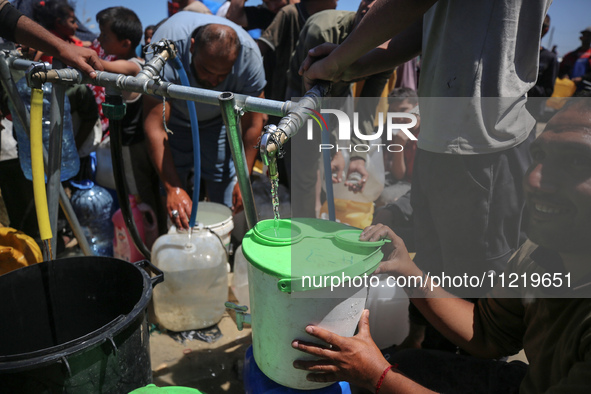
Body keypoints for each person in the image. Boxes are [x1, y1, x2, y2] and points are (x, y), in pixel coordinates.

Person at [292, 97, 591, 393]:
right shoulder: (537, 255)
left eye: (576, 160)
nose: (536, 180)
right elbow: (487, 334)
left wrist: (377, 376)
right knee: (408, 365)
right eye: (539, 155)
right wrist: (406, 268)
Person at [301, 0, 551, 351]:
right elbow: (422, 26)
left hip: (481, 141)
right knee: (430, 282)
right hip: (447, 138)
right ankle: (424, 361)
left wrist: (341, 59)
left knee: (474, 310)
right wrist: (352, 60)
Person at [144, 12, 265, 229]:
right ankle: (175, 236)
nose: (212, 81)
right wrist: (173, 188)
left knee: (223, 179)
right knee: (172, 186)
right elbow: (154, 124)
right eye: (206, 70)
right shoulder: (165, 49)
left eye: (222, 76)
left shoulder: (250, 58)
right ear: (191, 47)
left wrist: (243, 179)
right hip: (173, 121)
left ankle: (221, 237)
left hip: (217, 120)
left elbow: (254, 123)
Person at [285, 0, 391, 218]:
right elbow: (316, 101)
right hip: (305, 96)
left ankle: (324, 215)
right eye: (368, 0)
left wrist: (358, 156)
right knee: (305, 172)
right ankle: (305, 231)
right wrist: (333, 148)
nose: (371, 6)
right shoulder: (323, 31)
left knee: (332, 170)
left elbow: (368, 106)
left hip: (341, 94)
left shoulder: (388, 50)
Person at [95, 6, 166, 235]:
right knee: (148, 195)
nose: (99, 39)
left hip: (132, 146)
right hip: (135, 144)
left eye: (105, 35)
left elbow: (103, 66)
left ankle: (151, 239)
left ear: (125, 43)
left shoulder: (133, 64)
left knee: (141, 196)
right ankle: (154, 236)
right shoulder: (131, 62)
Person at [257, 0, 337, 102]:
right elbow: (259, 49)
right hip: (281, 96)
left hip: (311, 96)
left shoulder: (330, 22)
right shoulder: (289, 13)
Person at [0, 0, 101, 77]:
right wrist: (60, 48)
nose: (77, 26)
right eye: (72, 21)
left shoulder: (70, 39)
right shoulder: (45, 41)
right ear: (59, 22)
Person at [527, 14, 558, 120]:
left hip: (530, 114)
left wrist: (523, 87)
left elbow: (547, 91)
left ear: (546, 30)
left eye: (539, 26)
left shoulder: (550, 58)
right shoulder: (514, 53)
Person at [225, 0, 293, 31]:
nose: (272, 7)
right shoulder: (267, 15)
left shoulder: (302, 7)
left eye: (275, 0)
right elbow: (234, 16)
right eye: (267, 3)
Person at [559, 26, 591, 90]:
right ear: (581, 38)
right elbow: (560, 70)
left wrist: (582, 78)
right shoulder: (570, 55)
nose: (586, 38)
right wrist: (564, 75)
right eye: (585, 35)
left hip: (585, 92)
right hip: (567, 89)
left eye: (589, 36)